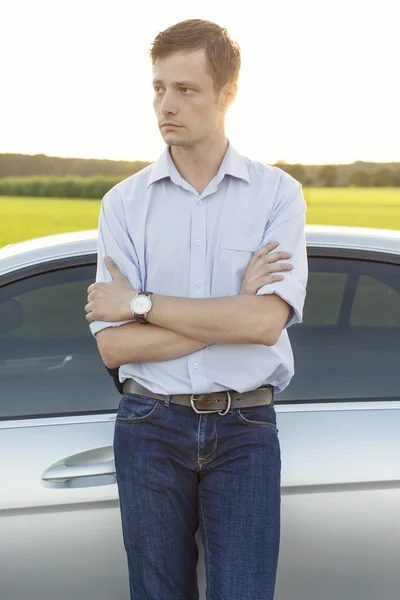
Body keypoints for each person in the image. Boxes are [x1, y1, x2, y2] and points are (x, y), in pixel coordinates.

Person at [85, 18, 308, 600]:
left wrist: (142, 306)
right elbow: (116, 346)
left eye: (186, 89)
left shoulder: (277, 195)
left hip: (246, 429)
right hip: (149, 427)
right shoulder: (124, 205)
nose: (166, 104)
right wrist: (232, 312)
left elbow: (264, 325)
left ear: (227, 94)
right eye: (159, 88)